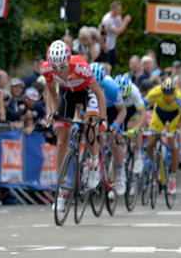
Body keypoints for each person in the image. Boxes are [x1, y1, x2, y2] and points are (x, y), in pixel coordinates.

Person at [42, 40, 107, 214]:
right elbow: (51, 91)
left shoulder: (80, 67)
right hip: (66, 94)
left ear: (68, 61)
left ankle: (94, 163)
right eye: (54, 68)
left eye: (62, 68)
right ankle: (62, 191)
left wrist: (103, 120)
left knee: (91, 127)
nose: (58, 72)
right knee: (62, 140)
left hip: (87, 92)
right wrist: (54, 111)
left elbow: (99, 95)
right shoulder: (47, 69)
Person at [144, 77, 181, 195]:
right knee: (149, 145)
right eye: (166, 98)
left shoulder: (180, 98)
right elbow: (141, 105)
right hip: (159, 114)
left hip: (174, 117)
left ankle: (172, 179)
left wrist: (177, 128)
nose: (168, 100)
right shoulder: (155, 92)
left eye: (170, 98)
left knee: (173, 145)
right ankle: (156, 165)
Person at [89, 62, 127, 195]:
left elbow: (122, 110)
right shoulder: (84, 85)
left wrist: (116, 124)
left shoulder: (111, 87)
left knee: (114, 140)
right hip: (95, 108)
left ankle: (120, 173)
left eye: (99, 86)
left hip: (112, 111)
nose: (96, 88)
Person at [114, 73, 148, 177]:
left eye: (125, 96)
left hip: (133, 111)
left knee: (132, 126)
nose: (123, 99)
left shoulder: (134, 92)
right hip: (118, 110)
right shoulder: (112, 89)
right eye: (122, 96)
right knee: (116, 133)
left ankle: (138, 156)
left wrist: (137, 129)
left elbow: (143, 114)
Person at [99, 1, 132, 70]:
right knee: (106, 64)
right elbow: (117, 31)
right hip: (106, 44)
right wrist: (125, 22)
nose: (120, 11)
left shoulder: (118, 17)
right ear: (113, 9)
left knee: (113, 63)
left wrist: (123, 24)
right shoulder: (107, 19)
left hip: (112, 44)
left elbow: (120, 27)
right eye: (118, 10)